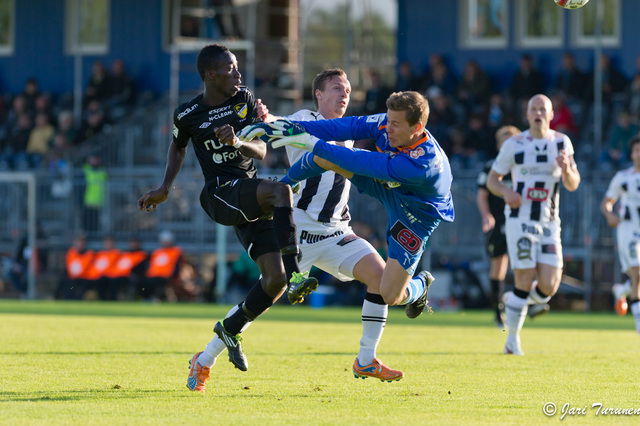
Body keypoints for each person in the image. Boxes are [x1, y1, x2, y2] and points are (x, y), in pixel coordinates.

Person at [136, 44, 317, 393]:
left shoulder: (244, 100)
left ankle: (227, 332)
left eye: (237, 67)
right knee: (282, 191)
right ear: (210, 75)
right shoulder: (186, 113)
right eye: (230, 68)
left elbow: (262, 150)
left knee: (273, 281)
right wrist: (164, 187)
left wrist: (238, 142)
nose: (237, 73)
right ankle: (299, 274)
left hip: (248, 193)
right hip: (220, 194)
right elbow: (178, 146)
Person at [240, 91, 452, 356]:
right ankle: (284, 186)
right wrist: (291, 128)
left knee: (390, 294)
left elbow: (361, 161)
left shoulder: (423, 164)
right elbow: (341, 127)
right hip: (388, 182)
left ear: (418, 128)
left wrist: (307, 141)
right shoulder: (387, 121)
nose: (389, 128)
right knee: (325, 157)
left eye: (397, 125)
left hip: (415, 214)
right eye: (389, 120)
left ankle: (419, 287)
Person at [279, 68, 417, 381]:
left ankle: (366, 359)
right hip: (297, 232)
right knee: (263, 296)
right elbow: (320, 147)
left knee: (381, 278)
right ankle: (209, 352)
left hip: (336, 232)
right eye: (338, 88)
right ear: (319, 94)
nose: (345, 95)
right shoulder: (306, 118)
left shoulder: (348, 132)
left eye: (348, 90)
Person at [486, 94, 581, 355]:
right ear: (527, 115)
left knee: (550, 285)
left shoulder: (562, 142)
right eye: (533, 109)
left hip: (550, 223)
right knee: (524, 279)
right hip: (520, 221)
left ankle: (514, 301)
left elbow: (573, 184)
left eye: (543, 109)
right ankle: (512, 341)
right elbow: (493, 180)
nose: (538, 113)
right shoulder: (514, 144)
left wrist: (567, 170)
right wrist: (507, 192)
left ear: (551, 115)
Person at [476, 125, 520, 328]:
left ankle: (520, 304)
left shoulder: (523, 165)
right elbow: (482, 194)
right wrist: (487, 216)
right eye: (505, 140)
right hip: (499, 222)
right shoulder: (491, 167)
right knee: (498, 266)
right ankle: (498, 312)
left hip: (521, 220)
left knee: (524, 265)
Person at [601, 136, 640, 334]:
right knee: (638, 272)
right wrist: (610, 215)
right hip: (629, 229)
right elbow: (606, 203)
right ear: (632, 154)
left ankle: (622, 290)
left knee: (637, 277)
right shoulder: (623, 177)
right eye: (637, 150)